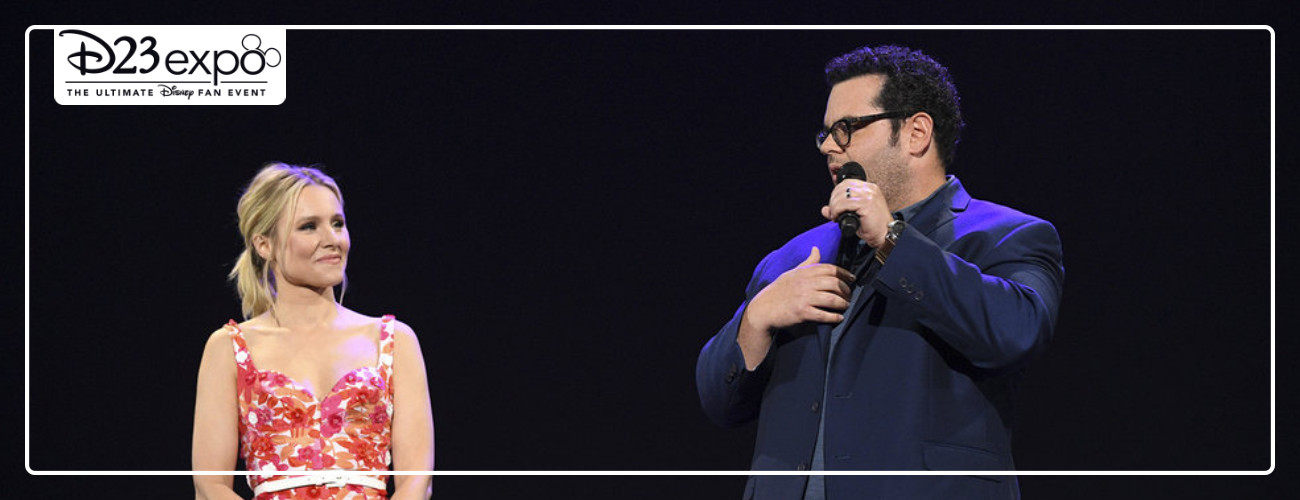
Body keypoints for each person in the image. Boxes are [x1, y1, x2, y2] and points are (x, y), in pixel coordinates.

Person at [695, 45, 1064, 499]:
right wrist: (756, 318)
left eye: (846, 128)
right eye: (826, 132)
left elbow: (1015, 333)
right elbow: (719, 402)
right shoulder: (796, 256)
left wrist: (892, 238)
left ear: (916, 133)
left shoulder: (1007, 235)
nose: (829, 146)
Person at [193, 163, 435, 499]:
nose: (332, 239)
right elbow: (210, 485)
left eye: (337, 223)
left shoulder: (394, 342)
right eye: (309, 227)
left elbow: (416, 480)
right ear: (264, 245)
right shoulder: (229, 348)